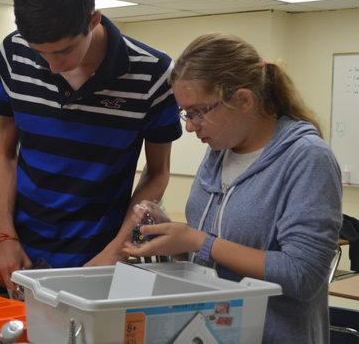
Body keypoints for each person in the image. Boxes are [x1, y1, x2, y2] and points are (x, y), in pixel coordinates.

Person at [124, 33, 342, 343]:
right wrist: (171, 234)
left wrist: (200, 241)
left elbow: (303, 274)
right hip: (212, 331)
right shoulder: (219, 150)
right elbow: (215, 246)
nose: (189, 126)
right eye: (185, 113)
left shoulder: (307, 158)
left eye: (199, 111)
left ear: (243, 100)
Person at [0, 0, 181, 289]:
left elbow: (157, 172)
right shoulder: (13, 52)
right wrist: (3, 235)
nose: (52, 66)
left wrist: (117, 250)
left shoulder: (153, 72)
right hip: (20, 255)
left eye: (63, 51)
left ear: (93, 20)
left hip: (101, 256)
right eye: (40, 52)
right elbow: (5, 152)